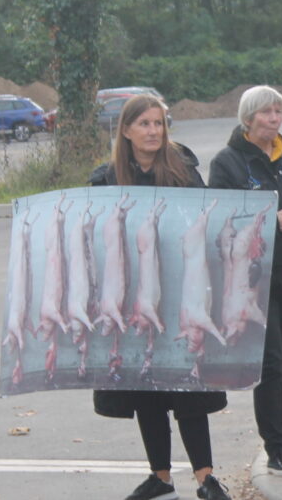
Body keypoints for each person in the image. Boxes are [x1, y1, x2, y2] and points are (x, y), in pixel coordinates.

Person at [89, 95, 232, 500]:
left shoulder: (184, 174)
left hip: (181, 295)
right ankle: (161, 477)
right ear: (127, 130)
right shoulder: (105, 181)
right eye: (145, 124)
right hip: (133, 299)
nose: (153, 131)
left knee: (188, 386)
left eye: (159, 123)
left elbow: (208, 221)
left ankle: (206, 478)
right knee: (146, 386)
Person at [208, 85, 282, 477]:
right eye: (266, 113)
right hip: (254, 278)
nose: (274, 119)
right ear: (248, 118)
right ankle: (274, 445)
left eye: (279, 111)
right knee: (271, 364)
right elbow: (219, 222)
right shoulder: (227, 162)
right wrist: (271, 220)